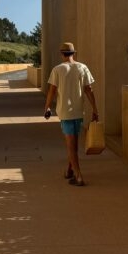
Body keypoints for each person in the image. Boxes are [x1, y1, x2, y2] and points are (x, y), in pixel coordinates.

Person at [43, 41, 98, 187]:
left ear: (62, 54)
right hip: (79, 111)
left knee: (70, 146)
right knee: (73, 145)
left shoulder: (57, 69)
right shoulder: (82, 67)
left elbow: (52, 91)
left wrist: (47, 107)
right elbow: (89, 89)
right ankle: (69, 171)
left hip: (65, 113)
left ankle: (79, 176)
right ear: (74, 53)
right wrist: (95, 109)